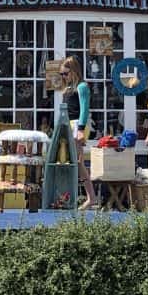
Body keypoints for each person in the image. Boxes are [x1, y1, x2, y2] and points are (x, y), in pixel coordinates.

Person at [60, 56, 98, 209]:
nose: (64, 76)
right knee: (72, 161)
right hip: (68, 125)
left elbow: (84, 109)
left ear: (74, 71)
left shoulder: (81, 87)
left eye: (66, 73)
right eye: (61, 74)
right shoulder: (68, 88)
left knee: (78, 162)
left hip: (77, 124)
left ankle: (90, 197)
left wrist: (81, 129)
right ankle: (83, 197)